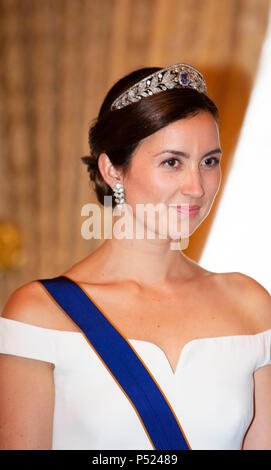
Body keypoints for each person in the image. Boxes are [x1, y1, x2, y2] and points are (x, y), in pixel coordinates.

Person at [0, 63, 271, 451]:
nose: (196, 187)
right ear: (112, 170)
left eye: (209, 161)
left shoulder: (251, 305)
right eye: (172, 162)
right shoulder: (40, 313)